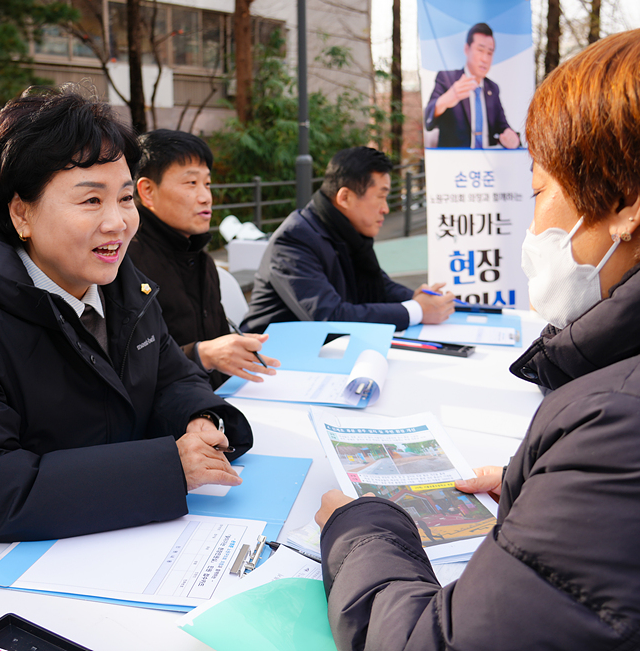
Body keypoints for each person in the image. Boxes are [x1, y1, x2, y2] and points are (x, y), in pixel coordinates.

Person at [315, 23, 640, 650]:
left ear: (627, 206)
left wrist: (363, 528)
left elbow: (431, 642)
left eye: (541, 190)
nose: (532, 221)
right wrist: (551, 487)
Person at [0, 87, 253, 568]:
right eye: (91, 200)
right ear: (21, 213)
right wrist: (165, 470)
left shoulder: (122, 286)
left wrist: (199, 418)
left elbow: (169, 375)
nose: (117, 223)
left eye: (124, 197)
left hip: (92, 542)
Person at [241, 147, 455, 334]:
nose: (386, 209)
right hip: (272, 361)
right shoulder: (293, 240)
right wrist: (416, 310)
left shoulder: (346, 231)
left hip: (325, 352)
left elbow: (380, 285)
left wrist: (417, 298)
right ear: (344, 197)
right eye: (380, 196)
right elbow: (329, 316)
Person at [128, 129, 279, 389]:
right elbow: (128, 365)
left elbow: (217, 341)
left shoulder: (202, 260)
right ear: (148, 191)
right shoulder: (126, 263)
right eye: (191, 183)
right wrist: (203, 354)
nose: (205, 196)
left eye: (207, 183)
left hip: (216, 401)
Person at [424, 23, 520, 149]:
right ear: (466, 49)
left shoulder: (493, 88)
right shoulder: (447, 79)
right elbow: (428, 120)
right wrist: (446, 99)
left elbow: (503, 127)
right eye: (480, 50)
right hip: (455, 163)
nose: (485, 59)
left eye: (489, 53)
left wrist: (513, 139)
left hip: (487, 165)